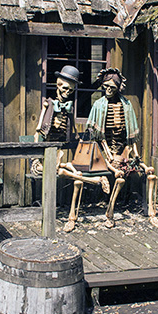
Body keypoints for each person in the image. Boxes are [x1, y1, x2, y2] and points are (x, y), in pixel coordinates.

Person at [30, 65, 109, 232]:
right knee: (62, 171)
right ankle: (94, 180)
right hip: (42, 156)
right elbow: (38, 131)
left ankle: (74, 210)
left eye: (71, 90)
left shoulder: (69, 107)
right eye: (64, 88)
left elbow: (72, 129)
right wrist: (36, 155)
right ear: (58, 85)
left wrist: (80, 142)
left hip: (57, 153)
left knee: (69, 171)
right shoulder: (48, 104)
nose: (67, 92)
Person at [87, 68, 158, 228]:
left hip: (124, 150)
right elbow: (98, 138)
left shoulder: (126, 105)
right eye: (106, 86)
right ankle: (110, 214)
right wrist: (108, 154)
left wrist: (137, 156)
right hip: (104, 152)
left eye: (112, 87)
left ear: (118, 87)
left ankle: (152, 213)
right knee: (119, 176)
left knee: (151, 174)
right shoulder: (98, 105)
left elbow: (131, 138)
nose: (108, 90)